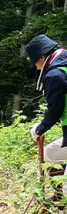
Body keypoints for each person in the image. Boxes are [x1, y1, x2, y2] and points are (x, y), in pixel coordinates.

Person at [25, 33, 67, 189]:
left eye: (35, 63)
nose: (36, 67)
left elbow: (56, 109)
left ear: (42, 57)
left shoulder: (55, 75)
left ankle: (62, 205)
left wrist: (40, 129)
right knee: (52, 153)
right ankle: (58, 203)